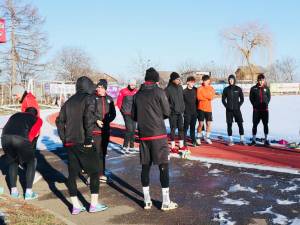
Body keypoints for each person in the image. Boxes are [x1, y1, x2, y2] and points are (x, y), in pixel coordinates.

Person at [56, 76, 108, 215]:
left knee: (72, 175)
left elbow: (59, 122)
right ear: (88, 86)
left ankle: (75, 206)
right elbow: (88, 118)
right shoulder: (89, 98)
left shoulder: (68, 102)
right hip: (83, 140)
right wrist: (89, 138)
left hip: (70, 142)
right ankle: (93, 205)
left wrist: (64, 139)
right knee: (95, 171)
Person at [132, 67, 178, 211]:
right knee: (163, 166)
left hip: (144, 135)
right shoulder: (159, 92)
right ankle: (165, 201)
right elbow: (167, 111)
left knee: (145, 167)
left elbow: (134, 116)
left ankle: (146, 201)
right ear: (156, 79)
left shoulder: (137, 94)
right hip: (158, 134)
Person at [1, 107, 43, 200]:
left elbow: (7, 127)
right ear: (35, 114)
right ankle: (28, 193)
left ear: (25, 112)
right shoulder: (38, 119)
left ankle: (14, 192)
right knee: (32, 162)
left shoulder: (15, 115)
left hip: (5, 138)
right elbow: (32, 134)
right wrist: (28, 148)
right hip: (21, 139)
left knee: (13, 162)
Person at [93, 79, 116, 183]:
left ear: (105, 88)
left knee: (103, 152)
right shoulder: (92, 98)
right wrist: (96, 120)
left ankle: (102, 174)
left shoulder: (110, 99)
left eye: (101, 87)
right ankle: (93, 175)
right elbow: (89, 113)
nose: (98, 88)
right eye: (98, 87)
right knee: (96, 152)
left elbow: (113, 114)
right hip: (95, 130)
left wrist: (107, 120)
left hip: (106, 130)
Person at [222, 74, 246, 146]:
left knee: (240, 124)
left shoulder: (238, 89)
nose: (231, 81)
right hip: (229, 110)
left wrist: (238, 105)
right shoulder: (226, 89)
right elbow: (223, 99)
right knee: (229, 125)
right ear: (228, 81)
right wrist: (227, 106)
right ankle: (230, 140)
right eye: (229, 79)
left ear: (234, 80)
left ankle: (242, 139)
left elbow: (242, 99)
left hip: (237, 110)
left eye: (232, 79)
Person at [165, 72, 186, 152]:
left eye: (179, 79)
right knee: (173, 129)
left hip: (180, 112)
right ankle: (173, 147)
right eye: (177, 79)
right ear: (173, 79)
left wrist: (183, 107)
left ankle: (181, 146)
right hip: (172, 113)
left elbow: (182, 99)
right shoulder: (168, 89)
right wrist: (171, 108)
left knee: (181, 129)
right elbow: (165, 102)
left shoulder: (180, 87)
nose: (179, 80)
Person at [249, 74, 271, 146]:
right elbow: (251, 98)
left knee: (265, 124)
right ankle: (254, 140)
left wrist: (266, 103)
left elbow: (269, 97)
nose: (261, 82)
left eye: (262, 80)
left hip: (264, 110)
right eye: (260, 80)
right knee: (254, 125)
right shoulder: (253, 88)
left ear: (264, 80)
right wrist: (254, 105)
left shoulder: (267, 88)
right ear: (258, 80)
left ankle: (266, 139)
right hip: (256, 110)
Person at [116, 79, 138, 152]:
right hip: (126, 113)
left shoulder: (136, 91)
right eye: (131, 85)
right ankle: (125, 146)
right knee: (129, 129)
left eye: (134, 85)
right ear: (129, 84)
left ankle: (131, 146)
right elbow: (119, 102)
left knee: (133, 129)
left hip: (134, 113)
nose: (133, 86)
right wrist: (122, 111)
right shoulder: (123, 91)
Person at [196, 75, 215, 144]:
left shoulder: (211, 88)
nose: (206, 82)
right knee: (201, 123)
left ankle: (207, 137)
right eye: (204, 81)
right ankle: (198, 137)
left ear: (209, 81)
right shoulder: (199, 88)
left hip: (209, 109)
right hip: (201, 108)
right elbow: (199, 97)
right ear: (203, 81)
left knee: (208, 123)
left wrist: (204, 96)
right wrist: (207, 97)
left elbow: (212, 97)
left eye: (207, 81)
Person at [183, 76, 200, 147]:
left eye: (193, 82)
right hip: (187, 113)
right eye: (191, 82)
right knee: (186, 127)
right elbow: (182, 102)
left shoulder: (196, 90)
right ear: (187, 83)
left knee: (193, 127)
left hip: (194, 112)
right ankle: (184, 141)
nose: (193, 83)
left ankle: (193, 140)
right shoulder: (184, 92)